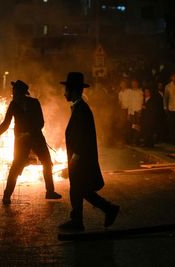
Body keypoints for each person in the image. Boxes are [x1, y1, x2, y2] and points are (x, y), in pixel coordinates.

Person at [59, 72, 120, 231]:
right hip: (81, 160)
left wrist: (71, 164)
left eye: (66, 89)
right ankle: (106, 210)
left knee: (79, 189)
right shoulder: (79, 108)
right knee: (81, 189)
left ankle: (81, 219)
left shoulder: (81, 110)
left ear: (73, 91)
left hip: (81, 161)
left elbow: (80, 142)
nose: (64, 93)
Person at [0, 80, 61, 204]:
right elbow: (6, 123)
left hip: (36, 138)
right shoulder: (13, 105)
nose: (13, 93)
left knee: (47, 162)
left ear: (21, 92)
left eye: (14, 90)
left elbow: (41, 122)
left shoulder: (35, 103)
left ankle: (50, 191)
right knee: (16, 167)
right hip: (21, 141)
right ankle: (6, 196)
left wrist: (29, 133)